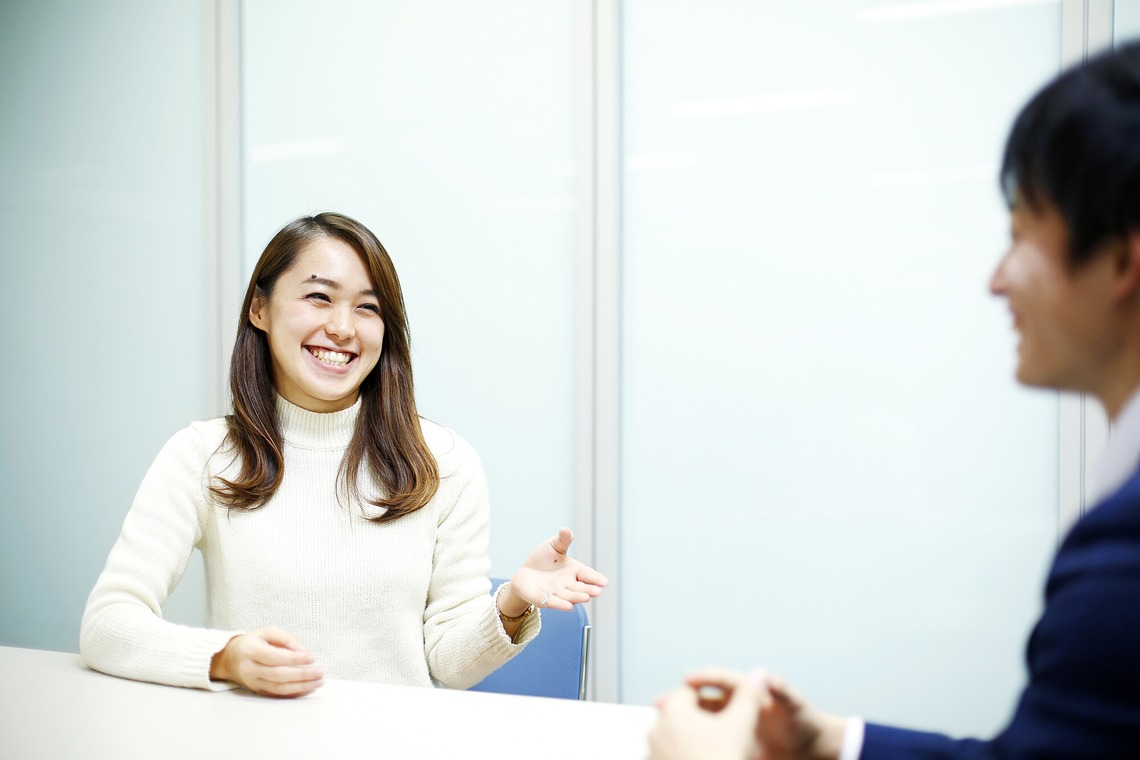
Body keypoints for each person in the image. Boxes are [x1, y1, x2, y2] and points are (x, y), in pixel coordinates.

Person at [647, 40, 1140, 760]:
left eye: (1020, 237)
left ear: (1123, 260)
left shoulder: (1124, 548)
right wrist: (833, 742)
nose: (996, 283)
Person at [80, 211, 607, 697]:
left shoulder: (443, 460)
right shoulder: (202, 455)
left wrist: (512, 603)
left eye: (367, 307)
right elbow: (108, 623)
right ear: (259, 309)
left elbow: (449, 665)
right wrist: (225, 657)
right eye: (318, 297)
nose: (342, 327)